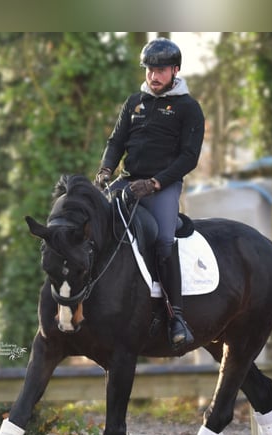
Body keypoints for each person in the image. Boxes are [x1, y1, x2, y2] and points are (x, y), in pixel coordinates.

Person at [95, 37, 205, 351]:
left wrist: (156, 183)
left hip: (163, 186)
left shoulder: (189, 108)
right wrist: (105, 169)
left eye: (160, 70)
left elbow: (189, 158)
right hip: (127, 181)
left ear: (175, 70)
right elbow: (116, 141)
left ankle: (177, 317)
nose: (153, 76)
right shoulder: (134, 102)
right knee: (96, 225)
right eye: (149, 70)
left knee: (162, 240)